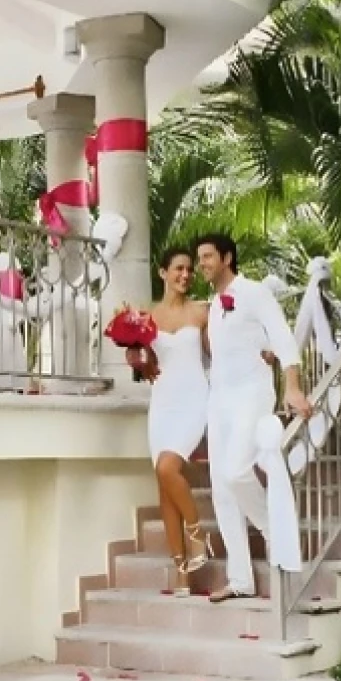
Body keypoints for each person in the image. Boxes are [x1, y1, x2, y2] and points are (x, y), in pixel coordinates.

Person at [195, 233, 310, 603]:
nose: (202, 264)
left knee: (237, 470)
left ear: (227, 257)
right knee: (222, 491)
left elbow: (281, 337)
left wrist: (292, 386)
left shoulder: (255, 291)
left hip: (252, 393)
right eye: (200, 258)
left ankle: (277, 535)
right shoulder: (213, 305)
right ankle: (240, 579)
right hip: (220, 399)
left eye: (208, 256)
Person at [126, 248, 212, 589]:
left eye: (190, 270)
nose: (186, 275)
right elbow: (141, 360)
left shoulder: (202, 312)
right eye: (179, 269)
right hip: (162, 402)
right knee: (164, 486)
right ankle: (182, 572)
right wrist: (137, 359)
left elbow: (216, 352)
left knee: (167, 467)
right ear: (163, 273)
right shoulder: (146, 317)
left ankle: (198, 535)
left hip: (194, 399)